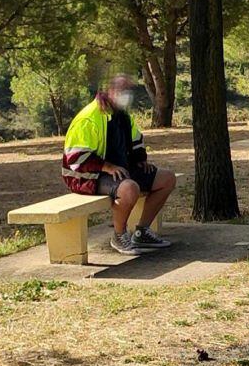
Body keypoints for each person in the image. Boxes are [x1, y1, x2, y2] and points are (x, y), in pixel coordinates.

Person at [62, 74, 178, 255]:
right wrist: (107, 167)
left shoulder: (122, 115)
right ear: (109, 91)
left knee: (166, 179)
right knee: (129, 188)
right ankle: (119, 235)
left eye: (129, 90)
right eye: (123, 90)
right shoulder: (89, 118)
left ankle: (142, 232)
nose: (127, 94)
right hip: (86, 175)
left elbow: (136, 140)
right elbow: (76, 158)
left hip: (119, 169)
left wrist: (141, 160)